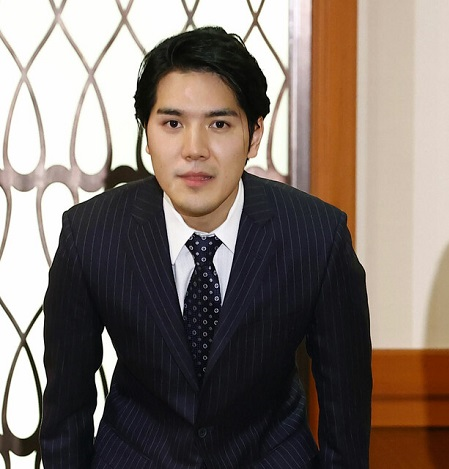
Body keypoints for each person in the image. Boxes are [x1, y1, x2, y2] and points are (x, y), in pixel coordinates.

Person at [40, 26, 372, 468]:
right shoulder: (91, 235)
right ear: (146, 134)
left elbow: (345, 411)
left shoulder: (317, 236)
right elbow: (66, 412)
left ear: (254, 134)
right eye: (172, 124)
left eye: (219, 124)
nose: (194, 149)